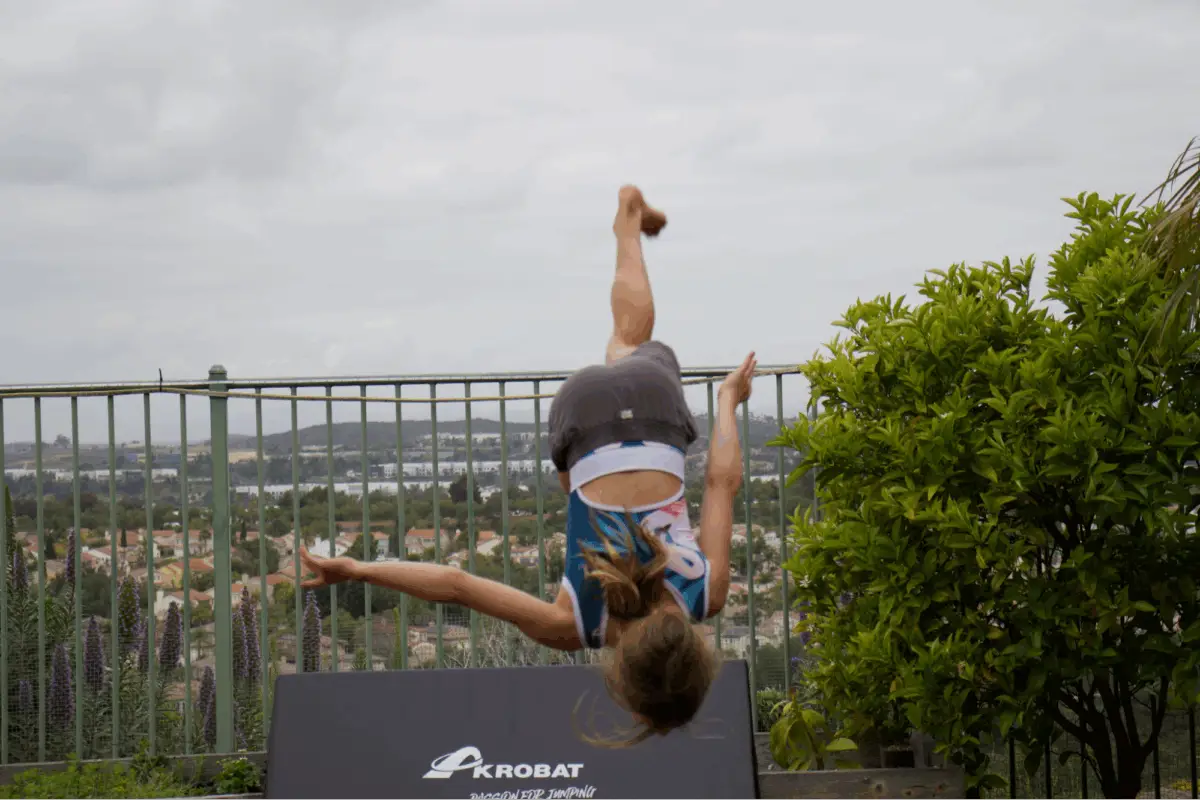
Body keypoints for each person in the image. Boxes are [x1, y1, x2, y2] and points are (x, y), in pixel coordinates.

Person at [299, 185, 755, 745]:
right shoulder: (572, 624)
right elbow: (456, 585)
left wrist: (729, 398)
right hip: (580, 413)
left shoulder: (707, 594)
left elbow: (720, 479)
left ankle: (627, 228)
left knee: (628, 342)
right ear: (622, 683)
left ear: (698, 657)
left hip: (655, 404)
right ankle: (626, 230)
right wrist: (359, 570)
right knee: (583, 471)